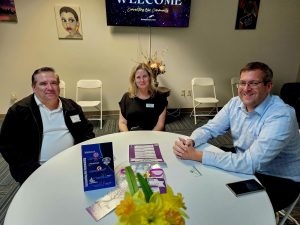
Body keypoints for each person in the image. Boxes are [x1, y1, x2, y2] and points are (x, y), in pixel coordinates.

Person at [173, 62, 300, 212]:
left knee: (229, 207)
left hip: (277, 180)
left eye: (254, 83)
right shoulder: (235, 103)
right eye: (243, 83)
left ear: (268, 86)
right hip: (243, 157)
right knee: (205, 180)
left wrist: (197, 155)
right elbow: (210, 128)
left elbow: (250, 163)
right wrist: (191, 141)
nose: (246, 89)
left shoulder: (281, 115)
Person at [0, 67, 95, 184]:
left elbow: (87, 131)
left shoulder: (71, 106)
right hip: (36, 171)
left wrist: (85, 157)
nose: (50, 88)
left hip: (73, 166)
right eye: (43, 84)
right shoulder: (19, 111)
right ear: (34, 87)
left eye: (54, 83)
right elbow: (8, 147)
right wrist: (32, 171)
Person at [118, 63, 168, 131]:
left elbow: (160, 124)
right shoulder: (126, 97)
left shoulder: (159, 97)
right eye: (138, 77)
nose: (142, 80)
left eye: (144, 76)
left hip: (153, 137)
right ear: (134, 80)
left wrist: (150, 140)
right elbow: (122, 123)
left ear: (150, 77)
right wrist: (128, 137)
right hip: (131, 136)